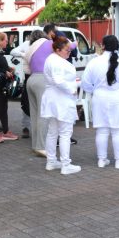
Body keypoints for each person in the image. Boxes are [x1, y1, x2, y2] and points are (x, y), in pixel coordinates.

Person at [81, 35, 119, 170]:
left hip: (100, 99)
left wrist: (94, 91)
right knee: (118, 131)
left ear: (102, 46)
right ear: (118, 46)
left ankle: (101, 160)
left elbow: (85, 83)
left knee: (102, 131)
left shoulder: (94, 62)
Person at [41, 36, 81, 174]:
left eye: (70, 49)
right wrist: (72, 88)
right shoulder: (56, 61)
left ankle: (51, 162)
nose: (69, 52)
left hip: (54, 98)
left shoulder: (53, 59)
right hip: (61, 99)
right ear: (58, 50)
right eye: (67, 50)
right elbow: (59, 81)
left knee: (53, 132)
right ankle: (65, 164)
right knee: (65, 133)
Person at [11, 31, 47, 139]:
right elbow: (13, 51)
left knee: (40, 103)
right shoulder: (27, 44)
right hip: (29, 76)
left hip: (40, 75)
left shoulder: (44, 46)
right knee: (26, 103)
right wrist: (24, 55)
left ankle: (40, 128)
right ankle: (26, 127)